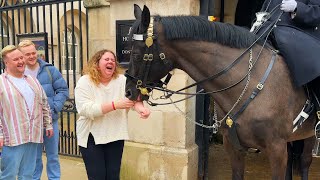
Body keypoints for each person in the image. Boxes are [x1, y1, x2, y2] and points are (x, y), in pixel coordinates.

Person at [75, 49, 150, 180]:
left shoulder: (122, 80)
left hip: (115, 134)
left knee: (113, 176)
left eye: (113, 60)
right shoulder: (84, 82)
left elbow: (133, 99)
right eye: (106, 59)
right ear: (97, 63)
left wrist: (141, 108)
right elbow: (85, 109)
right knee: (97, 176)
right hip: (91, 136)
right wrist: (114, 105)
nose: (111, 62)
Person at [17, 40, 69, 180]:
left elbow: (63, 90)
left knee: (53, 156)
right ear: (21, 56)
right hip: (30, 124)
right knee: (34, 158)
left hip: (50, 120)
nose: (32, 56)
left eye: (34, 52)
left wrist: (55, 107)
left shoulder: (49, 70)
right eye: (27, 54)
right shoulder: (18, 73)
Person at [0, 45, 53, 179]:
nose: (21, 61)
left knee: (28, 174)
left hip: (33, 135)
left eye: (21, 57)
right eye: (15, 59)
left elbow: (44, 103)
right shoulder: (1, 82)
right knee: (9, 175)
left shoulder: (32, 80)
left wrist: (48, 124)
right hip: (12, 138)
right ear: (6, 62)